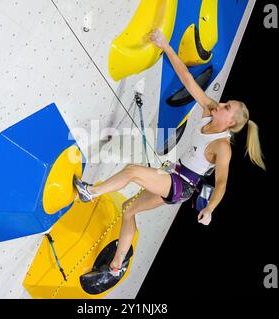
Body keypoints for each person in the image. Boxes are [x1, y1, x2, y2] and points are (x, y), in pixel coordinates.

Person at [74, 29, 265, 281]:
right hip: (172, 176)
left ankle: (91, 192)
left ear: (231, 122)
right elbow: (187, 79)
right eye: (226, 102)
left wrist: (210, 210)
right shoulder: (209, 109)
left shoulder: (222, 147)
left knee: (132, 171)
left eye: (227, 107)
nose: (221, 104)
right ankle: (116, 267)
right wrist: (165, 46)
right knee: (129, 210)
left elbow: (221, 183)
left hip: (180, 185)